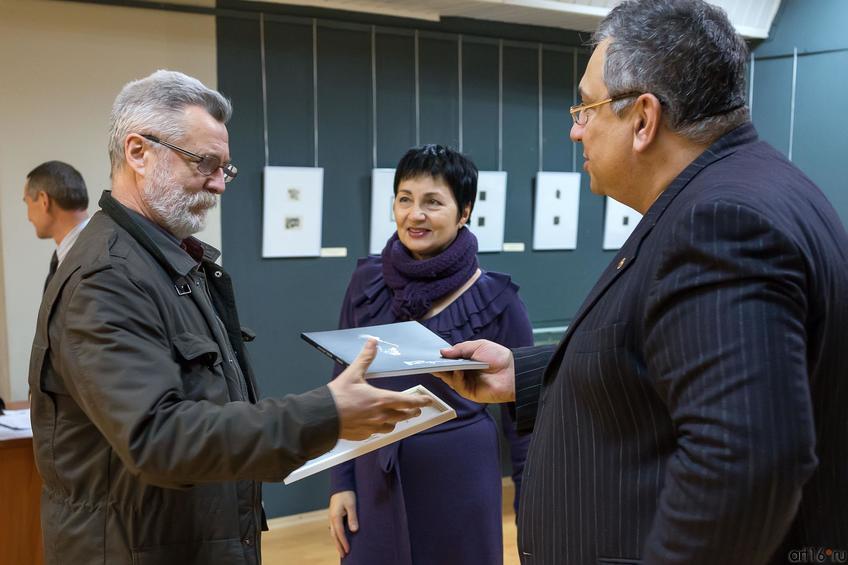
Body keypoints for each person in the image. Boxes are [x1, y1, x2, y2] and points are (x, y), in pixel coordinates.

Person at [437, 1, 848, 564]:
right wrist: (525, 375)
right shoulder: (747, 189)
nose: (575, 130)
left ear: (643, 119)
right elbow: (661, 358)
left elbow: (745, 461)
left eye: (586, 107)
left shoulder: (719, 223)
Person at [28, 70, 430, 565]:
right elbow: (159, 438)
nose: (219, 183)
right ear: (137, 152)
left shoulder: (170, 261)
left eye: (225, 168)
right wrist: (326, 413)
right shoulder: (107, 277)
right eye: (205, 163)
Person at [326, 145, 533, 564]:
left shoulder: (497, 299)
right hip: (374, 476)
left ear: (464, 212)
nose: (414, 214)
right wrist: (340, 482)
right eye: (405, 199)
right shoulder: (366, 282)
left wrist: (527, 502)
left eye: (432, 202)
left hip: (460, 478)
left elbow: (525, 416)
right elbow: (342, 384)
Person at [22, 160, 90, 287]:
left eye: (27, 203)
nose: (28, 217)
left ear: (44, 201)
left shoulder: (95, 258)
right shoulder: (74, 253)